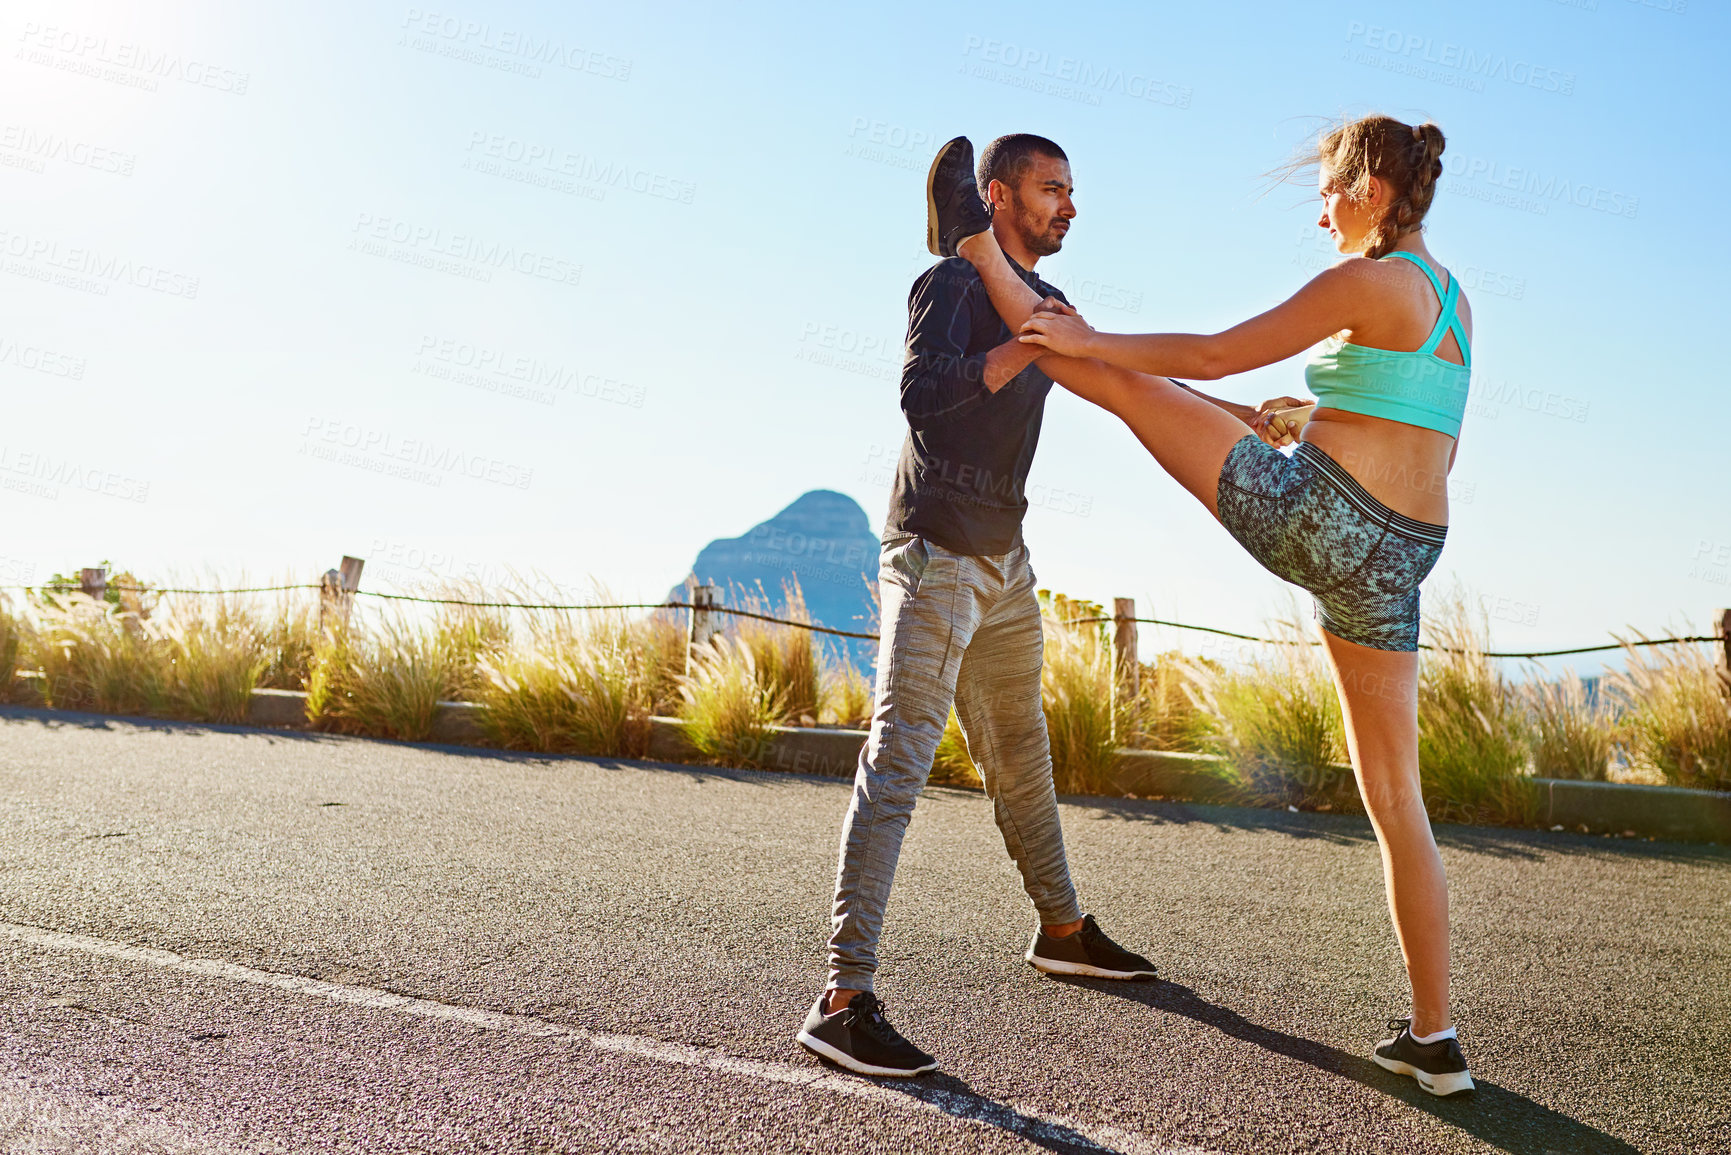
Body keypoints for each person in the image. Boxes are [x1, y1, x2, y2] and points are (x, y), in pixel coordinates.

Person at [925, 117, 1477, 1098]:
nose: (1321, 211)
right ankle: (1435, 1041)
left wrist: (1101, 339)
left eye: (1331, 191)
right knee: (1398, 800)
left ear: (1375, 190)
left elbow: (1220, 353)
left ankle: (976, 247)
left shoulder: (1366, 281)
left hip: (1325, 519)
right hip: (1401, 556)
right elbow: (1408, 431)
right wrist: (1292, 430)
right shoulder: (1451, 302)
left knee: (1128, 381)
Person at [796, 133, 1232, 1079]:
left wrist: (1243, 417)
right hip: (934, 550)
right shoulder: (949, 287)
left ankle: (1062, 929)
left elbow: (1127, 378)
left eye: (1073, 191)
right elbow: (919, 395)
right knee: (898, 761)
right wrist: (1009, 352)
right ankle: (841, 996)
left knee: (1021, 751)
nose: (1069, 206)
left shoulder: (1049, 306)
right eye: (1051, 189)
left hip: (1003, 559)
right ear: (996, 198)